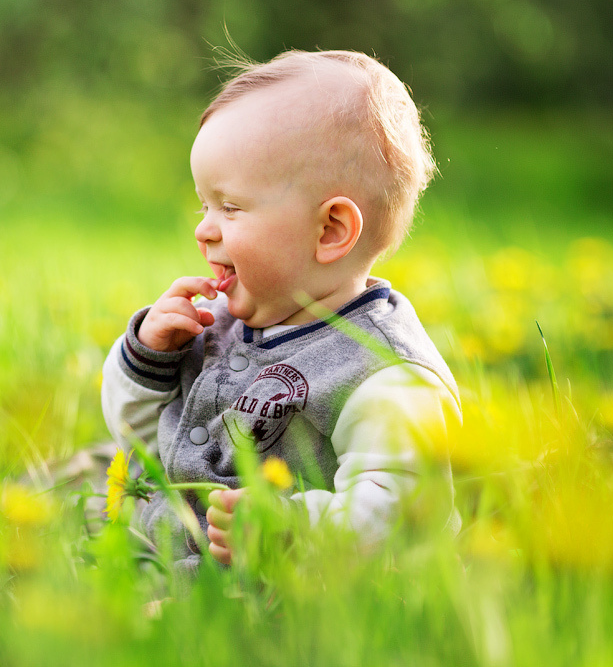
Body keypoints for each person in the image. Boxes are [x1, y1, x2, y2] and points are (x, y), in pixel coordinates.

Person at [101, 49, 460, 572]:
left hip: (283, 588)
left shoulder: (383, 372)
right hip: (157, 553)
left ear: (330, 230)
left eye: (230, 207)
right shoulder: (214, 323)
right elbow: (135, 439)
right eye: (204, 205)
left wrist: (285, 528)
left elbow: (402, 513)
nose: (203, 228)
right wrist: (147, 359)